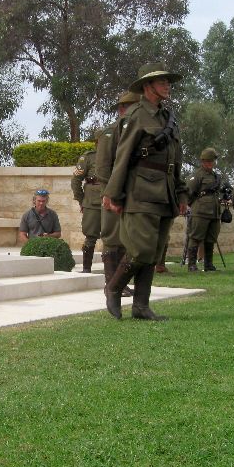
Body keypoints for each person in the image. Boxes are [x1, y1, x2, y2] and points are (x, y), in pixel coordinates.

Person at [101, 62, 188, 321]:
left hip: (165, 193)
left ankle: (141, 306)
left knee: (153, 251)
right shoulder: (136, 115)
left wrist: (182, 193)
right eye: (162, 81)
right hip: (140, 192)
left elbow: (176, 162)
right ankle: (114, 288)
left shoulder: (167, 118)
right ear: (148, 86)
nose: (167, 85)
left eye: (167, 81)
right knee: (140, 250)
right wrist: (114, 194)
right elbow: (122, 157)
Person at [96, 91, 141, 295]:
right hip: (113, 194)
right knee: (112, 238)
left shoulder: (136, 132)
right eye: (132, 107)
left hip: (131, 195)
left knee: (125, 240)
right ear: (122, 109)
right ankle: (111, 284)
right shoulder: (110, 133)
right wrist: (109, 194)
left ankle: (119, 283)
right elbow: (102, 168)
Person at [186, 148, 230, 272]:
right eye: (208, 161)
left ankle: (208, 264)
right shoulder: (197, 175)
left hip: (214, 212)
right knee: (195, 237)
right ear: (203, 161)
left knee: (211, 238)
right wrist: (195, 205)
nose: (211, 163)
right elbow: (189, 193)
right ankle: (192, 265)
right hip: (200, 212)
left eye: (212, 161)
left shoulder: (216, 176)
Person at [71, 130, 102, 272]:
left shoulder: (118, 155)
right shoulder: (88, 157)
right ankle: (86, 269)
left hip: (114, 202)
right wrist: (82, 200)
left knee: (114, 239)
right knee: (90, 236)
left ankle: (112, 272)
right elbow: (75, 181)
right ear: (97, 142)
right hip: (93, 203)